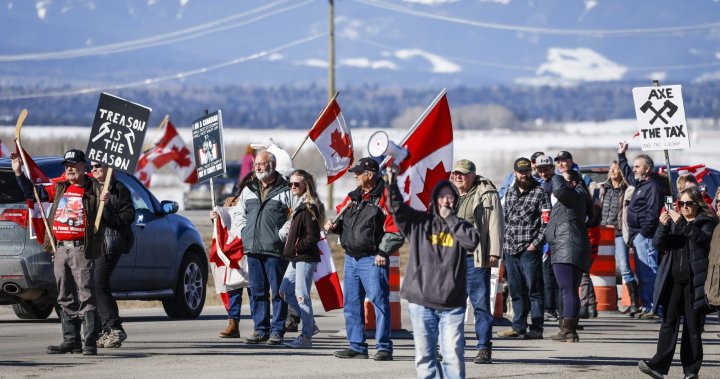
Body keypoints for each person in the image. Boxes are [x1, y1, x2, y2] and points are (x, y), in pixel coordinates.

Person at [12, 149, 105, 355]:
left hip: (82, 248)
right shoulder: (60, 187)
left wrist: (108, 197)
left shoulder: (95, 189)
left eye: (73, 165)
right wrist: (19, 173)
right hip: (60, 248)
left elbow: (112, 208)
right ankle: (71, 340)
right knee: (64, 295)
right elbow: (34, 195)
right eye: (66, 165)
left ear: (83, 166)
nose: (69, 169)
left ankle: (89, 340)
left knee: (86, 294)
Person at [387, 175, 481, 379]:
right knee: (425, 357)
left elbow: (472, 242)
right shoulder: (419, 223)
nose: (446, 200)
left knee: (453, 356)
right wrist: (391, 183)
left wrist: (450, 218)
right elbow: (396, 209)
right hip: (422, 303)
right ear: (434, 200)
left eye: (451, 197)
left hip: (452, 306)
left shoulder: (461, 226)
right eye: (442, 196)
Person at [325, 157, 404, 361]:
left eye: (358, 173)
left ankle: (384, 347)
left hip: (373, 259)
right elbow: (343, 223)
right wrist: (334, 227)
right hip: (351, 259)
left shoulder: (386, 198)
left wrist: (383, 252)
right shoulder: (354, 197)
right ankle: (357, 346)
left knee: (380, 303)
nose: (355, 176)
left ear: (370, 174)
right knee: (351, 304)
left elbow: (396, 231)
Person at [638, 187, 717, 379]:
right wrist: (663, 226)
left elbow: (702, 240)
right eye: (681, 204)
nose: (684, 207)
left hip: (694, 282)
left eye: (689, 203)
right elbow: (659, 244)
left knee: (692, 328)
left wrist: (681, 222)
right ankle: (658, 366)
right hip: (673, 281)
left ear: (697, 204)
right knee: (668, 323)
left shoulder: (706, 222)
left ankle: (691, 371)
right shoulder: (675, 222)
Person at [236, 150, 293, 345]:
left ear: (272, 165)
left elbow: (293, 217)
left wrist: (280, 235)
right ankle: (260, 329)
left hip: (275, 250)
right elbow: (238, 213)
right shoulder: (249, 188)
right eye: (255, 164)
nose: (257, 167)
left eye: (261, 164)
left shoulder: (286, 189)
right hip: (252, 248)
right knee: (257, 291)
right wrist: (243, 231)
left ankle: (277, 330)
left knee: (278, 292)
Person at [450, 159, 503, 364]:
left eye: (462, 174)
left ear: (473, 175)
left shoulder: (486, 193)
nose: (458, 177)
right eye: (455, 174)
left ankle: (483, 348)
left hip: (476, 258)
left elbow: (495, 224)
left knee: (480, 304)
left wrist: (495, 252)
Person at [497, 157, 549, 339]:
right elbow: (504, 220)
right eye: (521, 172)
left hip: (529, 249)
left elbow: (547, 223)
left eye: (527, 171)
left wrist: (536, 244)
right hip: (510, 249)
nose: (524, 175)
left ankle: (536, 328)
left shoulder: (539, 192)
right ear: (515, 173)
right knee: (515, 289)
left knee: (534, 290)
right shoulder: (510, 193)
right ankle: (518, 326)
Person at [90, 163, 135, 349]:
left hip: (110, 242)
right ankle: (102, 330)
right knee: (92, 285)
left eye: (98, 166)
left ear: (110, 169)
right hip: (90, 243)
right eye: (91, 167)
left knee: (99, 282)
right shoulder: (90, 186)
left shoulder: (119, 189)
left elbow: (128, 217)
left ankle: (115, 327)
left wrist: (106, 207)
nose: (94, 169)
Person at [618, 142, 664, 319]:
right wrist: (621, 155)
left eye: (638, 166)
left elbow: (652, 214)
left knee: (649, 273)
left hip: (645, 237)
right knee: (642, 273)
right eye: (634, 166)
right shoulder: (640, 184)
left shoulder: (652, 187)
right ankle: (647, 305)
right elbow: (628, 174)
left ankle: (655, 307)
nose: (634, 169)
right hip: (637, 236)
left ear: (648, 169)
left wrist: (643, 234)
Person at [545, 170, 592, 342]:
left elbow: (558, 190)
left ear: (572, 183)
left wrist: (558, 174)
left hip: (568, 248)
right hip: (565, 248)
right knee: (567, 290)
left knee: (569, 290)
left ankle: (569, 331)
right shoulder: (573, 197)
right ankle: (566, 329)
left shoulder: (574, 194)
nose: (558, 182)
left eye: (564, 180)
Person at [280, 169, 323, 348]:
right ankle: (310, 323)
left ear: (306, 185)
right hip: (295, 258)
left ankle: (306, 337)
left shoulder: (309, 206)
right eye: (290, 184)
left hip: (305, 257)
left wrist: (297, 247)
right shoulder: (298, 204)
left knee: (301, 296)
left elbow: (312, 236)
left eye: (296, 184)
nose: (292, 187)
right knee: (284, 291)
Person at [214, 171, 256, 339]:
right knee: (234, 288)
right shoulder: (231, 201)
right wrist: (215, 218)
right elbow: (225, 223)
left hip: (252, 247)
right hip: (235, 252)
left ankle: (258, 326)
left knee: (255, 289)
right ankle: (233, 323)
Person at [598, 161, 638, 316]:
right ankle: (599, 302)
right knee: (598, 269)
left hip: (619, 232)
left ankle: (634, 303)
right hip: (602, 232)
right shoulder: (602, 188)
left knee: (624, 268)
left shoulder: (627, 190)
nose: (613, 171)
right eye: (611, 168)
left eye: (616, 169)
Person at [535, 155, 560, 322]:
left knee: (549, 275)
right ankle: (548, 306)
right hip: (544, 233)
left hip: (553, 235)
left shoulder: (556, 184)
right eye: (540, 170)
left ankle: (551, 308)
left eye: (546, 169)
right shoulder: (542, 184)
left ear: (553, 168)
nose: (543, 173)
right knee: (545, 274)